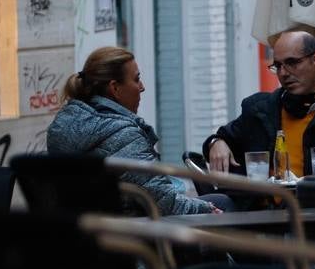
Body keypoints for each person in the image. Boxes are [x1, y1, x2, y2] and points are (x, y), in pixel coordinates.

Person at [47, 46, 224, 215]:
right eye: (136, 79)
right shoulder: (122, 134)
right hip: (131, 236)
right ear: (115, 88)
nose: (142, 87)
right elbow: (165, 205)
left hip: (78, 233)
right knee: (224, 203)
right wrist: (208, 209)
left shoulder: (63, 125)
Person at [204, 29, 315, 182]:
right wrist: (216, 142)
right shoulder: (259, 109)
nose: (283, 73)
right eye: (278, 66)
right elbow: (220, 138)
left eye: (292, 63)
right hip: (262, 212)